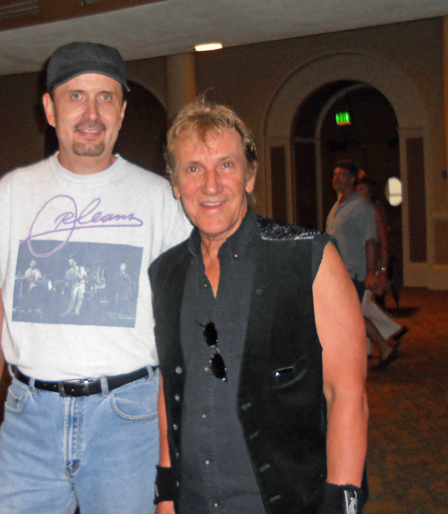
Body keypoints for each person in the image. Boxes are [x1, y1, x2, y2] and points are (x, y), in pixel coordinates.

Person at [0, 41, 191, 514]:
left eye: (106, 97)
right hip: (28, 419)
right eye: (75, 96)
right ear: (49, 108)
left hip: (127, 419)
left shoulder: (162, 202)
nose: (92, 112)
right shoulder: (10, 195)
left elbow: (183, 328)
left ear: (123, 111)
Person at [149, 98, 368, 513]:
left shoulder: (310, 259)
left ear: (249, 176)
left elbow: (347, 395)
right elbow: (170, 389)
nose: (210, 185)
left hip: (284, 501)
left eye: (226, 165)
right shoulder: (165, 275)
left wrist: (342, 504)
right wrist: (166, 495)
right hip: (195, 501)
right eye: (193, 168)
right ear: (175, 183)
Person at [357, 176, 407, 368]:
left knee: (360, 308)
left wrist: (381, 270)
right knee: (363, 307)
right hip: (361, 265)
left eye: (363, 189)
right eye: (358, 188)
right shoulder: (357, 209)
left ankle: (372, 348)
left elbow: (381, 241)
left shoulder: (373, 210)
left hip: (372, 266)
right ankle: (392, 331)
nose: (360, 192)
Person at [325, 160, 378, 302]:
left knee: (350, 317)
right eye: (334, 175)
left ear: (352, 180)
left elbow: (370, 241)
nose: (336, 179)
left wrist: (371, 272)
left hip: (353, 275)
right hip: (336, 272)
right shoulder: (336, 206)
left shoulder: (361, 207)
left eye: (341, 175)